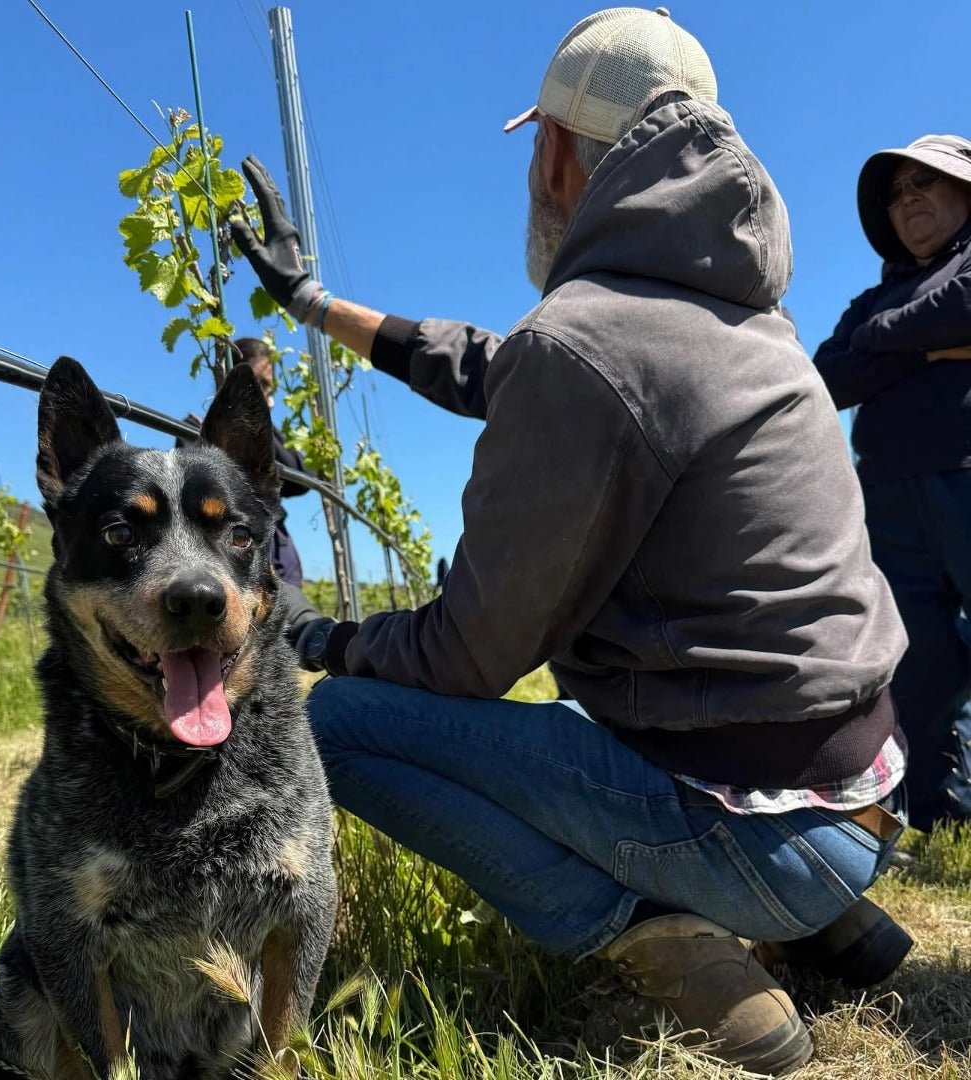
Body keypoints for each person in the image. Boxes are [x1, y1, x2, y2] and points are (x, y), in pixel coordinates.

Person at [231, 8, 912, 1075]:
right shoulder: (734, 315)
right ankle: (829, 924)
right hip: (863, 792)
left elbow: (466, 658)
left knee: (342, 725)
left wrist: (322, 639)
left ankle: (663, 941)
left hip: (756, 837)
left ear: (553, 150)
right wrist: (313, 304)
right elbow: (489, 366)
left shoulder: (590, 341)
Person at [814, 135, 971, 832]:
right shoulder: (872, 297)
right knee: (920, 663)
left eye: (925, 184)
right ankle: (944, 819)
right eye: (897, 191)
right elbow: (827, 376)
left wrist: (882, 341)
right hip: (887, 500)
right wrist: (929, 345)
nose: (908, 199)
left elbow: (958, 308)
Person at [178, 337, 313, 589]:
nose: (270, 401)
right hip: (226, 562)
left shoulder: (271, 440)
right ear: (233, 377)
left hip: (275, 553)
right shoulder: (192, 430)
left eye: (269, 389)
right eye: (260, 385)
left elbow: (302, 477)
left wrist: (257, 431)